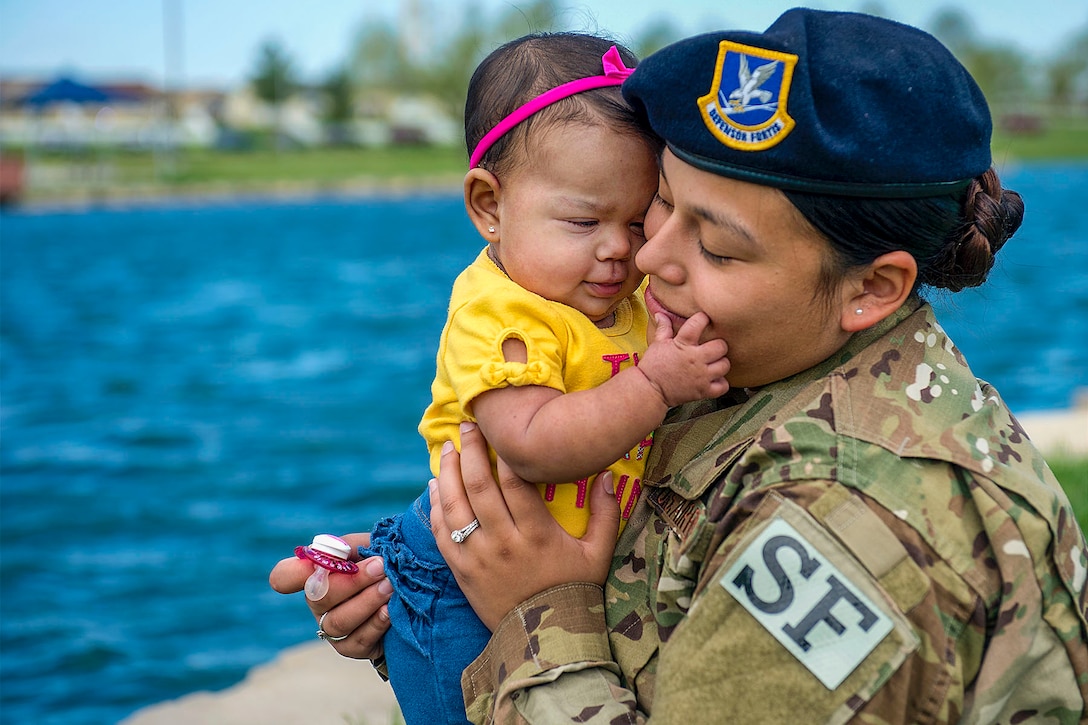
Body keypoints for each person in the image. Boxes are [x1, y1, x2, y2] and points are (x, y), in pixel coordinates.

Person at [272, 9, 1088, 723]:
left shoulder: (849, 524)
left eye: (718, 245)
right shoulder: (763, 364)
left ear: (872, 287)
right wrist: (438, 579)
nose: (647, 256)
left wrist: (531, 613)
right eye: (664, 202)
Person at [284, 32, 729, 725]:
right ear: (490, 206)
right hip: (461, 572)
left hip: (549, 562)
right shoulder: (499, 309)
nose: (619, 249)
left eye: (639, 221)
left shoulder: (623, 300)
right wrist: (658, 384)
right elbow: (531, 441)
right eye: (583, 220)